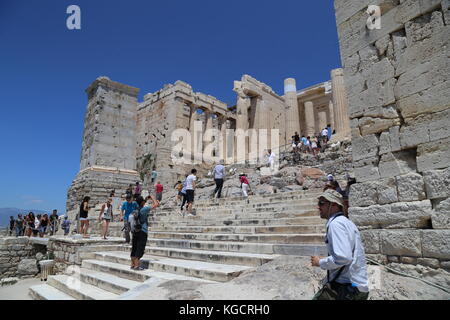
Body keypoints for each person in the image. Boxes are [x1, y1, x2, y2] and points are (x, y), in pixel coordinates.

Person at [311, 189, 369, 300]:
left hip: (346, 288)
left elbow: (344, 257)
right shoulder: (346, 222)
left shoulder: (335, 224)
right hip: (358, 286)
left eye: (321, 203)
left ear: (333, 205)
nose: (318, 207)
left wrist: (320, 262)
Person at [130, 195, 159, 270]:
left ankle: (132, 264)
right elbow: (156, 205)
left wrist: (145, 199)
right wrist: (153, 197)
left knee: (134, 247)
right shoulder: (144, 209)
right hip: (142, 231)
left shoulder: (135, 209)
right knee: (140, 247)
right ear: (142, 202)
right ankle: (137, 265)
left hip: (135, 231)